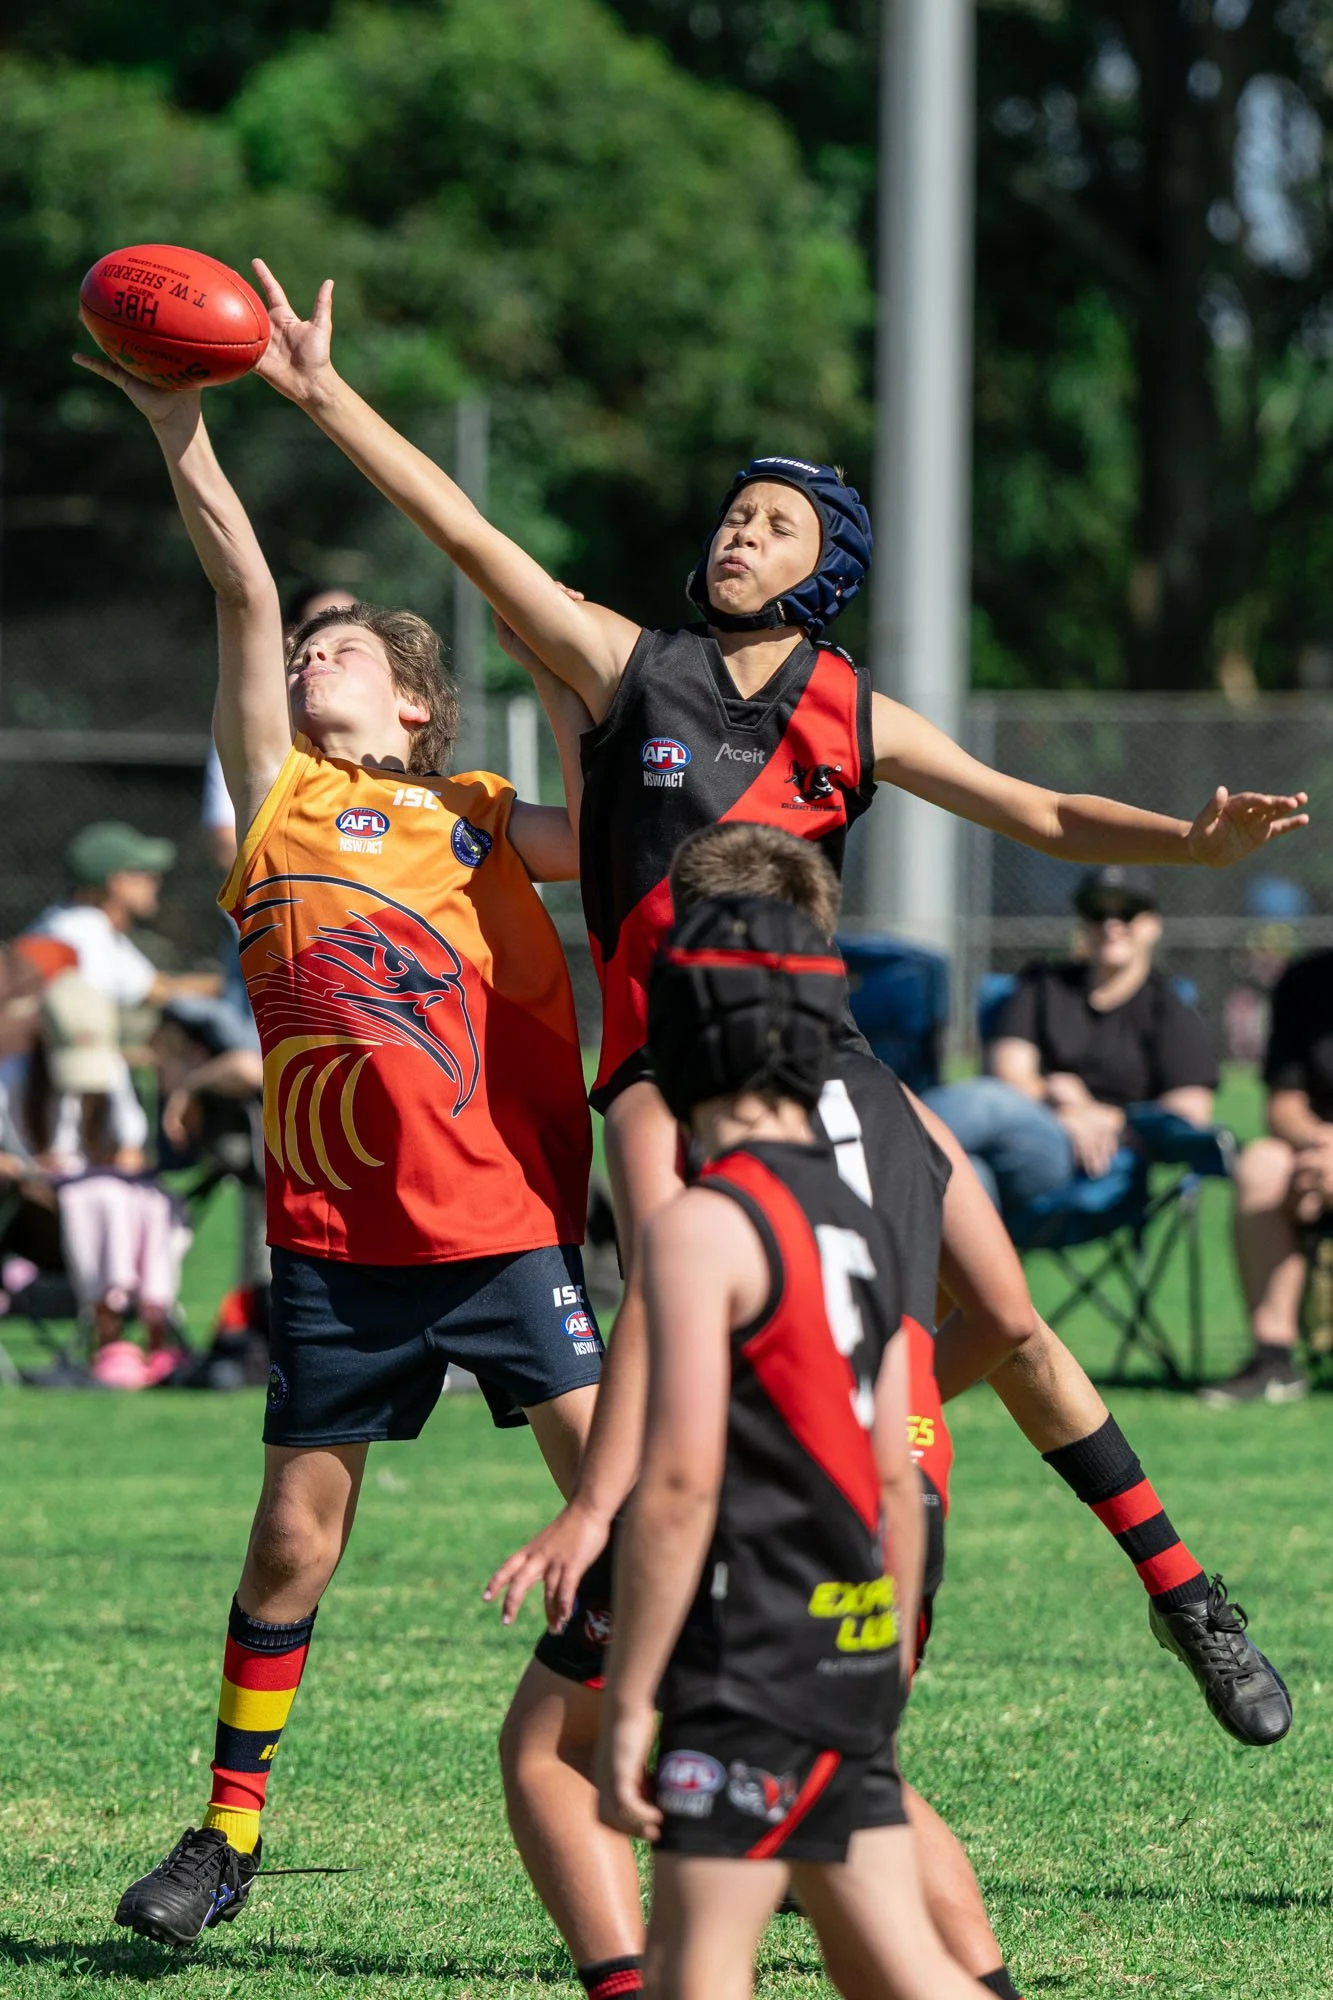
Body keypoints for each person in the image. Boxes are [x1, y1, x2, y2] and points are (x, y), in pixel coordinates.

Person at [490, 825, 1288, 2000]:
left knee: (569, 1777)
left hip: (757, 1546)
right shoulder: (892, 1111)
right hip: (885, 1525)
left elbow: (680, 1446)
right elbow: (1004, 1319)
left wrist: (617, 1610)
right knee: (861, 1855)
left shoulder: (671, 1140)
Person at [72, 342, 604, 1947]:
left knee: (630, 1515)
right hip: (336, 1244)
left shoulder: (478, 813)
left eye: (347, 648)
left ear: (418, 703)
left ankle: (722, 1774)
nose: (313, 654)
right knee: (294, 1540)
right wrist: (182, 426)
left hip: (502, 1228)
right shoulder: (277, 800)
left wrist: (563, 667)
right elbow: (242, 588)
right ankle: (227, 1833)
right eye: (311, 647)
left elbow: (615, 849)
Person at [596, 889, 991, 2000]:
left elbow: (679, 1484)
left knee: (693, 1972)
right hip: (854, 1640)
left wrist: (629, 1702)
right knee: (898, 1968)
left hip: (752, 1656)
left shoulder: (701, 1224)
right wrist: (884, 1652)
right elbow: (893, 1473)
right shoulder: (858, 1218)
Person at [925, 865, 1217, 1216]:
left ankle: (876, 1154)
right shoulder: (1043, 985)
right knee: (965, 1174)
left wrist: (1101, 1116)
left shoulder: (1169, 1008)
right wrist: (1058, 1098)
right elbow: (1009, 1074)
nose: (1111, 925)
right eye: (1097, 912)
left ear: (1153, 925)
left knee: (984, 1101)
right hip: (1026, 1129)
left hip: (1100, 1167)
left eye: (1127, 912)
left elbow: (1189, 1112)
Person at [1201, 947, 1333, 1406]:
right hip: (1319, 1160)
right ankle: (1273, 1360)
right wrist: (1322, 1147)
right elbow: (1284, 1106)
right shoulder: (1308, 980)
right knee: (1262, 1164)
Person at [29, 822, 219, 1016]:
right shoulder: (81, 932)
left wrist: (226, 984)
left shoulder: (83, 921)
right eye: (146, 874)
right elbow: (88, 1010)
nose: (156, 882)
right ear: (117, 882)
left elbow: (156, 988)